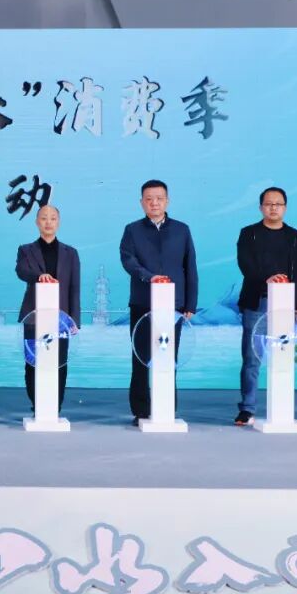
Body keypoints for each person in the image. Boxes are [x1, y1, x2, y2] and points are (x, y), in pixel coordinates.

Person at [119, 179, 198, 426]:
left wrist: (190, 304)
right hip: (142, 302)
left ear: (167, 201)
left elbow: (190, 267)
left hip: (173, 305)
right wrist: (148, 276)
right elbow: (128, 260)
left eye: (159, 198)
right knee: (140, 358)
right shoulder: (132, 230)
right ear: (141, 202)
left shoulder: (182, 230)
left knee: (168, 356)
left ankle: (166, 407)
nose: (154, 203)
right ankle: (141, 410)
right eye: (149, 199)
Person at [234, 186, 297, 426]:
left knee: (283, 355)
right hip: (257, 302)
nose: (273, 208)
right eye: (268, 204)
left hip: (287, 305)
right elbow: (245, 264)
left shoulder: (295, 237)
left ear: (285, 208)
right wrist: (265, 279)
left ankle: (282, 408)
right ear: (261, 207)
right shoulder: (249, 233)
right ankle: (247, 408)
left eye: (278, 204)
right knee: (252, 358)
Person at [15, 205, 81, 412]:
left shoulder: (71, 253)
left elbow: (74, 288)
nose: (48, 222)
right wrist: (39, 276)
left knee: (59, 362)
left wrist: (74, 320)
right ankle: (37, 404)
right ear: (37, 222)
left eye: (53, 218)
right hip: (33, 316)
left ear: (58, 222)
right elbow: (21, 271)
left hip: (61, 318)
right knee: (32, 362)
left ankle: (55, 406)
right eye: (44, 218)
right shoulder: (26, 250)